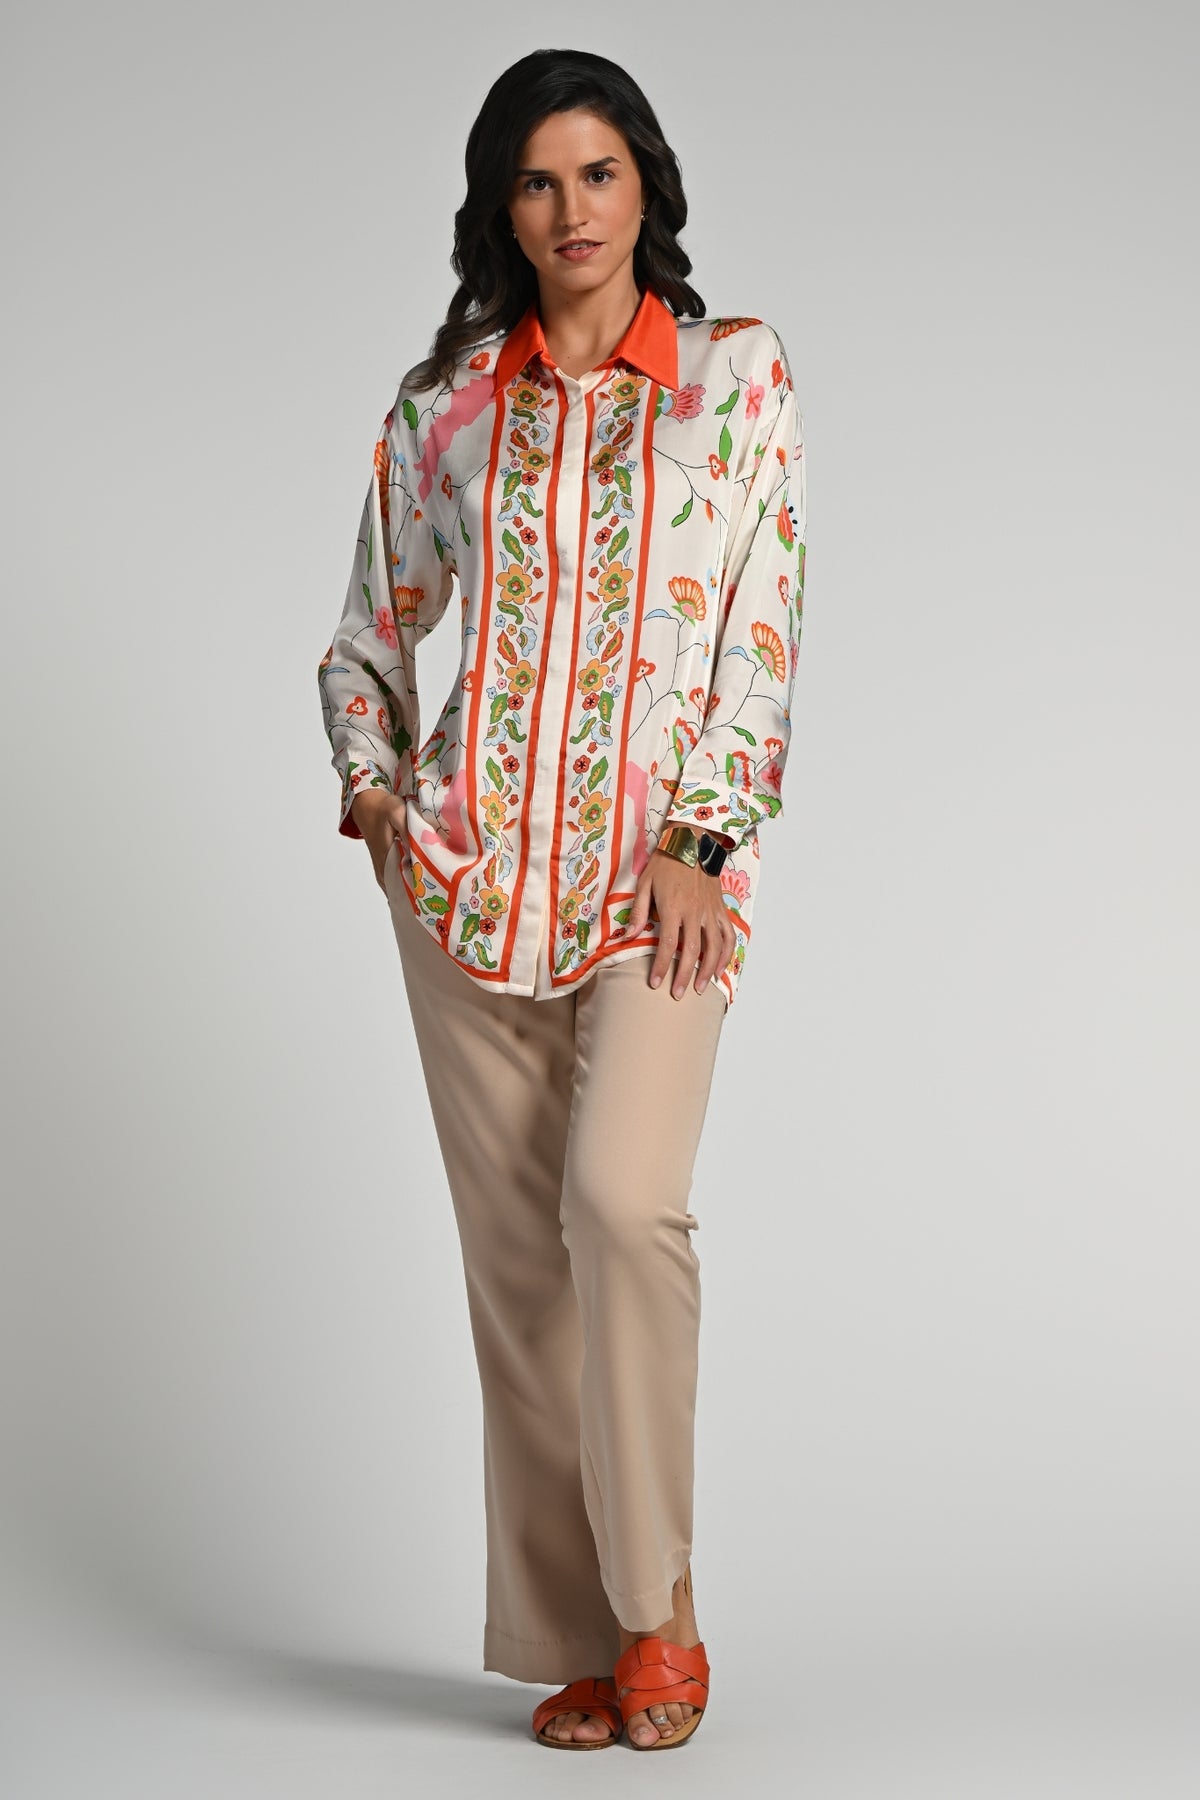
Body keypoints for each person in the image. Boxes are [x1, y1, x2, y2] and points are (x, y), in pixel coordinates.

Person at [317, 47, 806, 1752]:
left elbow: (759, 632)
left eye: (599, 173)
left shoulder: (737, 381)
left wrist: (707, 837)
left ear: (646, 185)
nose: (572, 209)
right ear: (500, 210)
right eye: (537, 181)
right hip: (466, 891)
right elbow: (370, 636)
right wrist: (376, 791)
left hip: (658, 890)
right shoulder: (447, 407)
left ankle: (660, 1604)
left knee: (621, 1207)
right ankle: (582, 1639)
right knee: (520, 1280)